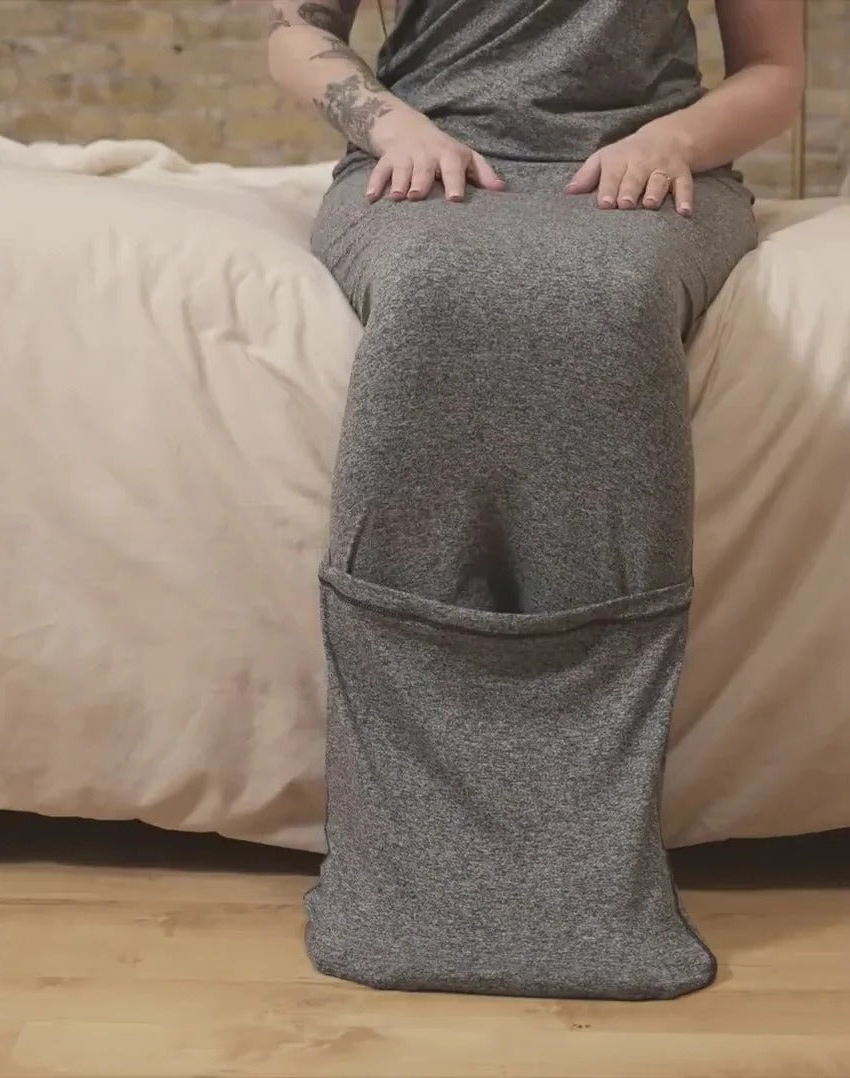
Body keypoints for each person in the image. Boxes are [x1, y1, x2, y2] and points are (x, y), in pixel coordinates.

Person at [267, 0, 805, 1000]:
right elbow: (296, 33)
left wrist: (673, 139)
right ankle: (401, 876)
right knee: (433, 288)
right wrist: (393, 126)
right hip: (418, 164)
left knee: (609, 301)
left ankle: (595, 881)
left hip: (653, 169)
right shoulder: (404, 143)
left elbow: (774, 72)